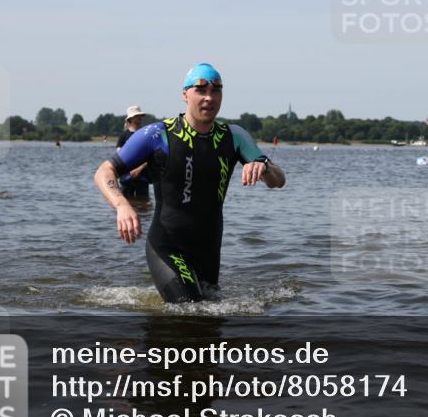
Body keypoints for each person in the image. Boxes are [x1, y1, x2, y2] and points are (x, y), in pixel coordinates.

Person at [94, 63, 286, 303]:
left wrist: (264, 166)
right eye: (201, 90)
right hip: (167, 246)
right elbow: (104, 171)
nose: (209, 97)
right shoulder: (158, 135)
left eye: (216, 91)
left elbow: (279, 180)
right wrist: (121, 204)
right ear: (185, 94)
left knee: (209, 317)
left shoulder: (234, 136)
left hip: (208, 251)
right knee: (189, 310)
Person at [116, 105, 151, 199]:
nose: (140, 118)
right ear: (130, 119)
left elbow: (151, 155)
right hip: (126, 177)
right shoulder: (123, 136)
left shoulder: (146, 134)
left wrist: (139, 169)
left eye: (140, 115)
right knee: (127, 203)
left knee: (144, 206)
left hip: (143, 176)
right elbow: (119, 157)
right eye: (137, 116)